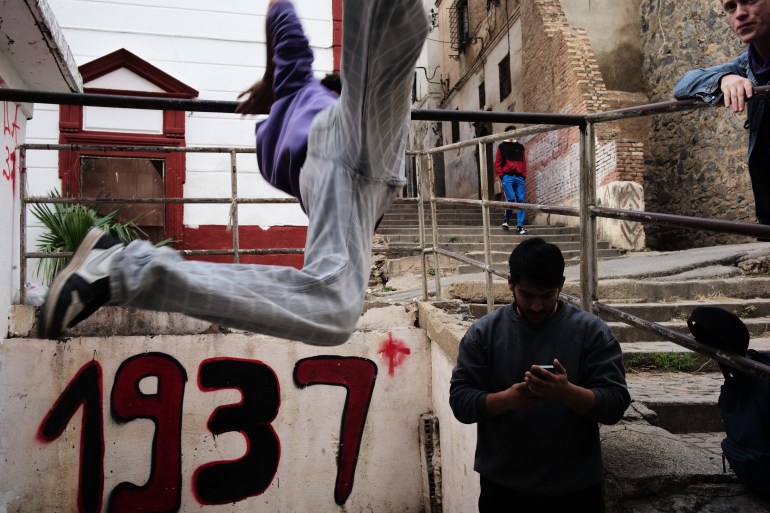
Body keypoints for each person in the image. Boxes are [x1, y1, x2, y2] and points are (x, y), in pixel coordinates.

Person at [38, 0, 429, 345]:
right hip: (353, 163)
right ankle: (122, 271)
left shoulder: (295, 83)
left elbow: (280, 7)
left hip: (337, 173)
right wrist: (274, 74)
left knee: (333, 308)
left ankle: (120, 270)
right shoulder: (310, 92)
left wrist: (272, 74)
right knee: (400, 25)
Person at [449, 237, 630, 512]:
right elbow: (460, 402)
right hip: (503, 488)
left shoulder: (592, 333)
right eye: (527, 295)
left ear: (561, 285)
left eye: (547, 295)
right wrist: (506, 400)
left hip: (575, 489)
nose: (536, 306)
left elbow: (615, 404)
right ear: (510, 282)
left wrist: (566, 393)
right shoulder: (483, 333)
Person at [673, 0, 770, 227]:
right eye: (730, 7)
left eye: (750, 1)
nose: (740, 14)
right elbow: (683, 84)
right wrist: (724, 78)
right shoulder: (748, 65)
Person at [494, 126, 528, 234]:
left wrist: (523, 176)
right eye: (510, 132)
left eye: (514, 132)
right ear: (506, 134)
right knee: (511, 199)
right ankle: (506, 220)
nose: (512, 134)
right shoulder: (502, 147)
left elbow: (524, 162)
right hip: (507, 176)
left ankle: (519, 226)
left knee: (521, 201)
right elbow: (498, 162)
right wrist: (502, 176)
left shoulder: (520, 147)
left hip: (519, 177)